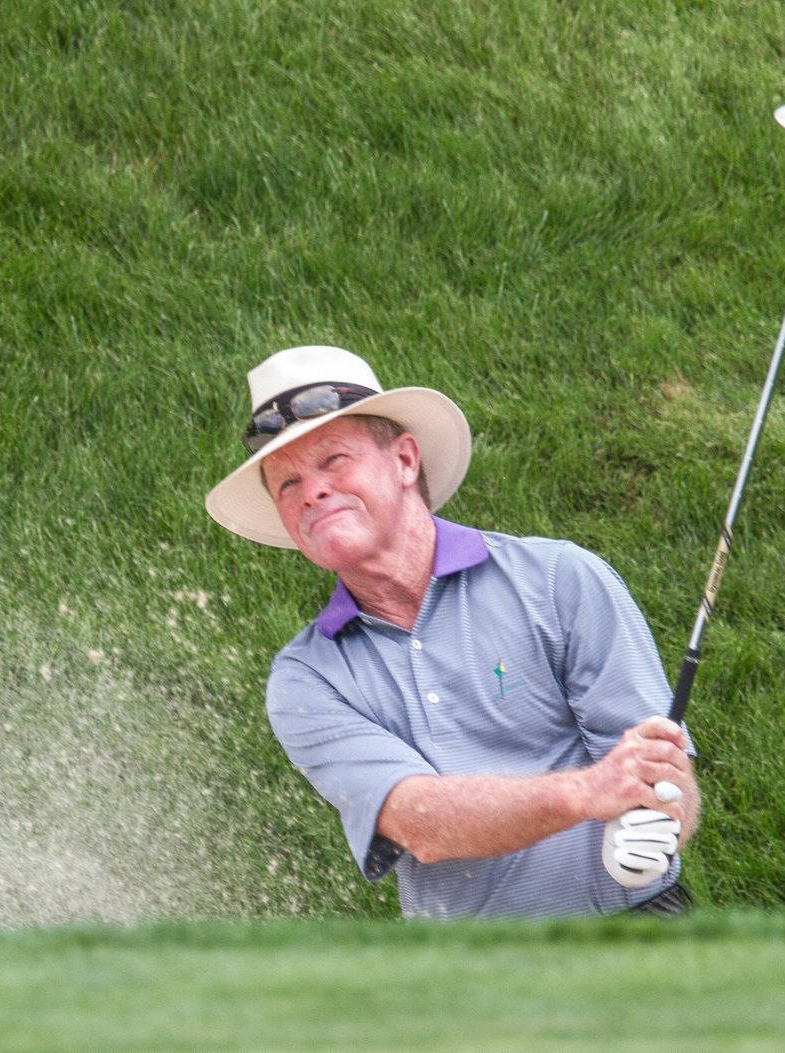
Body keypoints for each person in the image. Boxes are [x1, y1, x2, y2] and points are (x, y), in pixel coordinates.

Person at [206, 345, 701, 918]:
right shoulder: (308, 680)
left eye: (334, 459)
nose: (311, 490)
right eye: (286, 483)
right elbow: (422, 822)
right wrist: (588, 794)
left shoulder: (558, 579)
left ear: (405, 460)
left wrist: (662, 815)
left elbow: (664, 772)